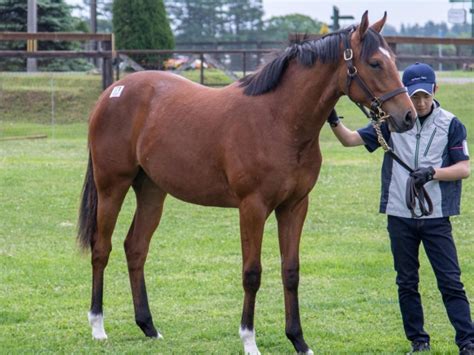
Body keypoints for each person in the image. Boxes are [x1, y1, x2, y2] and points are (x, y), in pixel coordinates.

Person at [327, 62, 474, 354]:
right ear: (405, 94)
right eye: (415, 96)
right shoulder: (391, 122)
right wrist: (332, 118)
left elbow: (464, 169)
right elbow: (350, 140)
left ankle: (467, 341)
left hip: (436, 217)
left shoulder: (451, 124)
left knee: (450, 281)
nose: (420, 102)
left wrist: (433, 173)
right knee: (407, 282)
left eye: (425, 96)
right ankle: (418, 341)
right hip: (399, 215)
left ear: (435, 91)